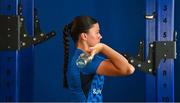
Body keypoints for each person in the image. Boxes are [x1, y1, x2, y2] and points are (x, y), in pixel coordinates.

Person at [63, 16, 135, 102]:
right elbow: (129, 69)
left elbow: (124, 65)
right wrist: (103, 47)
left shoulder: (84, 58)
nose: (100, 36)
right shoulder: (84, 61)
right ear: (84, 36)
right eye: (97, 32)